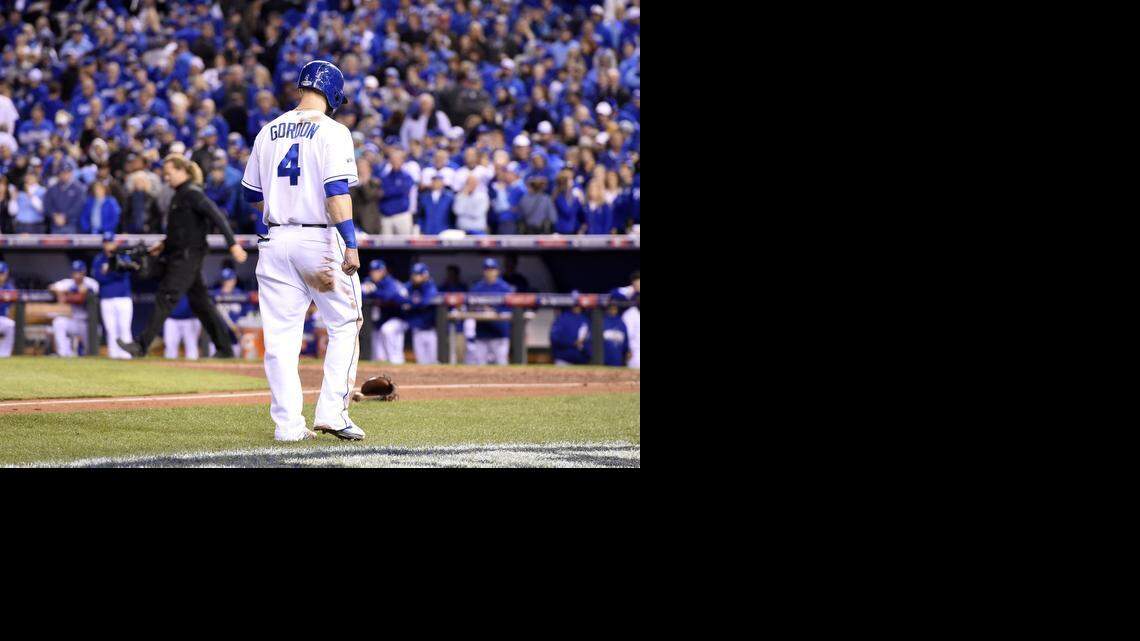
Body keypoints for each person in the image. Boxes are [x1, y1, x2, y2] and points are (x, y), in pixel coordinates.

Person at [238, 59, 365, 442]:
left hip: (275, 240)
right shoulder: (333, 130)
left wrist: (283, 207)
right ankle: (332, 412)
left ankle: (288, 427)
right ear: (334, 93)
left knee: (280, 338)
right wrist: (352, 243)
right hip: (320, 240)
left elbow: (250, 193)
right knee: (345, 322)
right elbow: (336, 191)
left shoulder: (268, 130)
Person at [116, 154, 247, 359]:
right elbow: (182, 230)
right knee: (201, 304)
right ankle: (225, 348)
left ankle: (141, 346)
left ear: (182, 171)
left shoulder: (192, 193)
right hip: (181, 254)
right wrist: (164, 244)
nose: (166, 178)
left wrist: (233, 245)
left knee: (165, 297)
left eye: (169, 174)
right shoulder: (179, 194)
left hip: (187, 257)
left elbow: (217, 216)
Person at [91, 232, 133, 359]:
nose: (108, 245)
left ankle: (126, 355)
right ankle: (114, 356)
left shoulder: (123, 256)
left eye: (110, 242)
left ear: (114, 243)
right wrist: (113, 272)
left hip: (123, 299)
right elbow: (98, 277)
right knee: (111, 330)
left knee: (124, 328)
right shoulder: (99, 259)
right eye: (106, 242)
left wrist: (108, 272)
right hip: (107, 299)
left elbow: (123, 274)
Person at [467, 258, 514, 365]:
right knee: (480, 366)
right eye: (487, 269)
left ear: (497, 271)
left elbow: (510, 309)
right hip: (481, 333)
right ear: (483, 271)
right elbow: (469, 306)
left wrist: (495, 310)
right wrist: (481, 308)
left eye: (492, 269)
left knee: (501, 364)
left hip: (500, 333)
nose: (489, 272)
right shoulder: (477, 288)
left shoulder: (505, 288)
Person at [361, 259, 409, 363]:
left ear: (383, 271)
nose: (374, 273)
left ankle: (397, 361)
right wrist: (368, 291)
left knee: (387, 330)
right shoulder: (369, 281)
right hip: (381, 321)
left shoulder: (390, 282)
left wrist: (373, 292)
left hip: (398, 318)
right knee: (379, 355)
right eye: (372, 271)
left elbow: (388, 296)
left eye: (377, 271)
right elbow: (359, 293)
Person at [49, 260, 99, 357]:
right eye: (75, 272)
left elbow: (90, 290)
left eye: (79, 272)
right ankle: (64, 354)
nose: (77, 275)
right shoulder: (68, 283)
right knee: (58, 322)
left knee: (91, 351)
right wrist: (62, 291)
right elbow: (51, 287)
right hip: (74, 321)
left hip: (88, 324)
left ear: (84, 272)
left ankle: (90, 357)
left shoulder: (91, 282)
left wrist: (72, 293)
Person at [403, 263, 440, 363]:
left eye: (418, 274)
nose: (415, 277)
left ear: (425, 275)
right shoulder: (410, 286)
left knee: (433, 361)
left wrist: (411, 303)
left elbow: (425, 302)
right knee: (421, 362)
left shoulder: (430, 286)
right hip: (417, 330)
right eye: (414, 274)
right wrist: (412, 302)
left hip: (431, 330)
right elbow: (400, 295)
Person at [207, 267, 247, 358]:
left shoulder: (241, 294)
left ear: (234, 280)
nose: (227, 282)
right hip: (217, 339)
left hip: (235, 338)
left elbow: (247, 315)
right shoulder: (214, 295)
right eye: (225, 280)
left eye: (229, 279)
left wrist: (241, 328)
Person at [378, 147, 416, 235]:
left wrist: (386, 192)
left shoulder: (407, 176)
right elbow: (379, 191)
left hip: (401, 215)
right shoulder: (385, 177)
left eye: (397, 159)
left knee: (404, 246)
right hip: (386, 216)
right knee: (385, 246)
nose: (395, 161)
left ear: (402, 161)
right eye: (393, 159)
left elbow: (402, 190)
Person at [43, 159, 84, 234]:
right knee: (55, 245)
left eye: (67, 172)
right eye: (62, 172)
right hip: (55, 224)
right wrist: (54, 215)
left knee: (70, 245)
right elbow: (47, 205)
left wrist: (65, 216)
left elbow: (78, 206)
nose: (65, 175)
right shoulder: (52, 188)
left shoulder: (79, 189)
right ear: (59, 174)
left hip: (72, 224)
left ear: (71, 173)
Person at [549, 300, 588, 366]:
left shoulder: (585, 319)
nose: (577, 307)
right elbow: (554, 338)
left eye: (578, 305)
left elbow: (591, 339)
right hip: (563, 360)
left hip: (582, 360)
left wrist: (585, 349)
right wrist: (572, 343)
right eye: (575, 305)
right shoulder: (562, 318)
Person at [163, 295, 201, 360]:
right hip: (172, 319)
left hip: (191, 319)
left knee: (191, 347)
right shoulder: (170, 285)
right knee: (170, 347)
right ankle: (170, 369)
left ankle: (192, 369)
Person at [0, 261, 14, 358]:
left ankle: (4, 355)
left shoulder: (8, 286)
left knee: (11, 325)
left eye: (1, 273)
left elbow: (15, 296)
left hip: (1, 319)